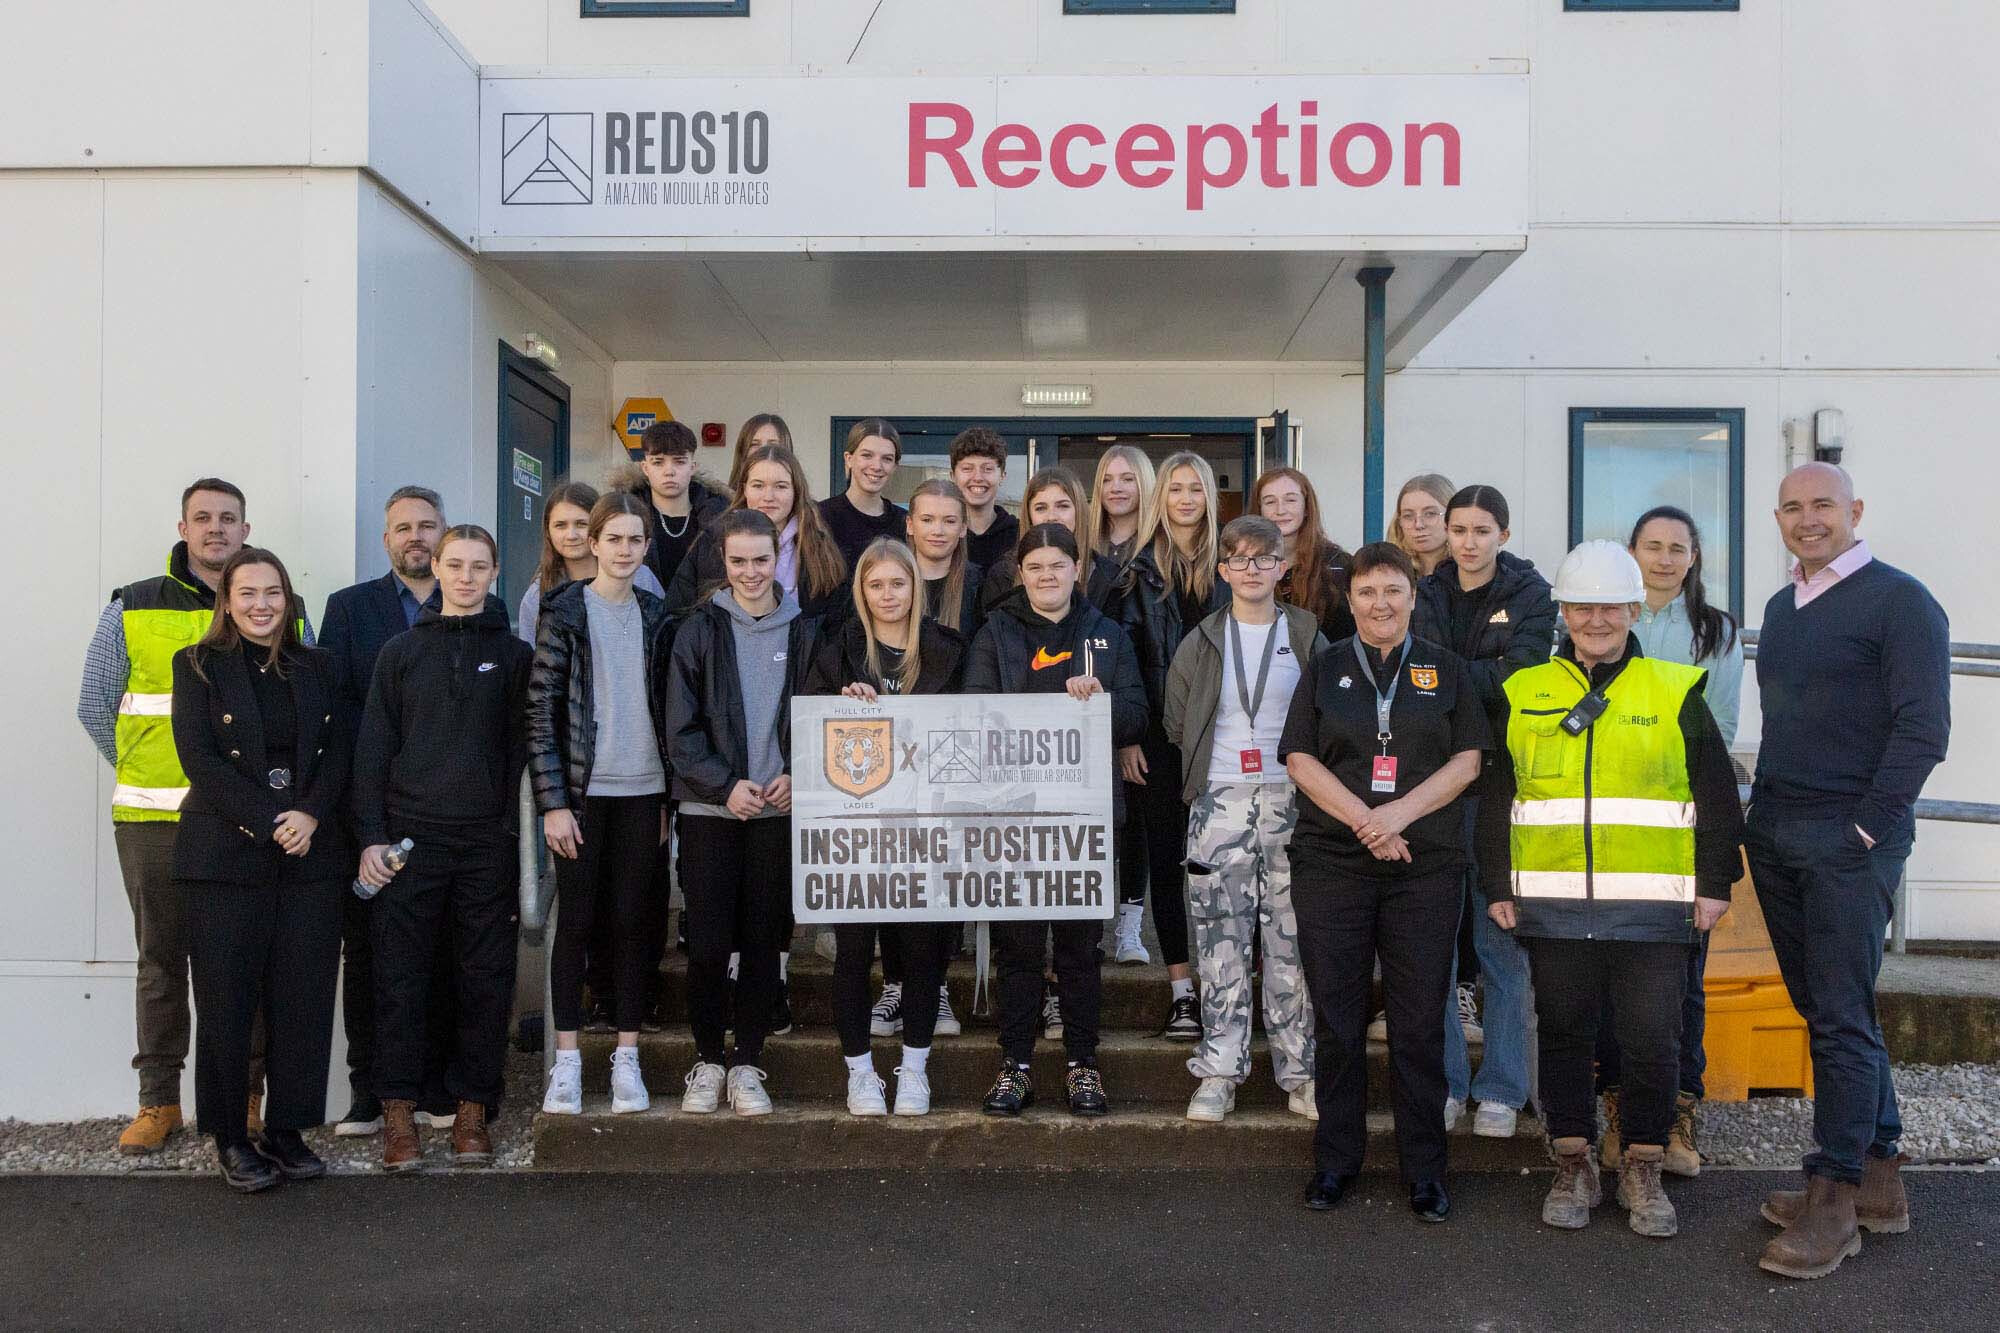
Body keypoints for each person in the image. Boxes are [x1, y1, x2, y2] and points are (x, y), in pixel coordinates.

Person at [1479, 540, 1742, 1241]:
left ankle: (1644, 1164)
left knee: (1654, 1039)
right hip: (1555, 906)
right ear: (1562, 611)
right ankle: (1573, 1160)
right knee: (1564, 1034)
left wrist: (1715, 882)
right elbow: (1496, 794)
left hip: (1655, 910)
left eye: (1610, 606)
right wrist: (1497, 882)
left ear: (1633, 609)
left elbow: (1718, 795)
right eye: (1582, 605)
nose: (1596, 618)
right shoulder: (1522, 691)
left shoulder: (1674, 686)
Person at [1747, 463, 1949, 1280]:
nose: (1807, 519)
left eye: (1822, 504)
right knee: (1831, 1006)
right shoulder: (1782, 606)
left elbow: (1923, 729)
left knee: (1837, 1017)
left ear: (1854, 510)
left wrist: (1864, 828)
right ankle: (1880, 1177)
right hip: (1780, 834)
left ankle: (1833, 1195)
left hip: (1848, 841)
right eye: (1792, 507)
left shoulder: (1901, 601)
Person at [76, 478, 294, 1155]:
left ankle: (248, 1100)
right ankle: (159, 1102)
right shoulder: (132, 604)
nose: (216, 530)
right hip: (155, 820)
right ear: (182, 526)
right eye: (203, 518)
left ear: (246, 526)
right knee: (162, 962)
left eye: (228, 519)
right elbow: (97, 704)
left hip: (246, 821)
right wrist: (146, 766)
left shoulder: (272, 603)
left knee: (246, 963)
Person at [1280, 542, 1488, 1223]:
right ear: (1353, 599)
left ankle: (1424, 1167)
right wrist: (1368, 820)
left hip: (1422, 866)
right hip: (1333, 863)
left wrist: (1399, 813)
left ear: (1412, 597)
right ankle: (1336, 1159)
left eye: (1393, 590)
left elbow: (1468, 760)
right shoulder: (1326, 666)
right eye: (1368, 591)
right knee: (1337, 1020)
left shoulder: (1445, 669)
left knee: (1419, 1022)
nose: (1380, 603)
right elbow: (1301, 758)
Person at [351, 524, 532, 1170]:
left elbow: (520, 754)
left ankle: (472, 1110)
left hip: (485, 843)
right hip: (408, 843)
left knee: (483, 980)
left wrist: (511, 836)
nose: (464, 576)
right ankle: (398, 1113)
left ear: (493, 571)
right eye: (454, 564)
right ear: (438, 566)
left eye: (477, 566)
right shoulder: (399, 654)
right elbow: (372, 753)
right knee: (401, 977)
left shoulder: (514, 657)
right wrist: (371, 837)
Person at [170, 548, 350, 1193]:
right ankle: (230, 1138)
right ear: (227, 599)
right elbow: (200, 760)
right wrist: (269, 820)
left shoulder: (318, 665)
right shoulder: (197, 666)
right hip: (224, 859)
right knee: (227, 1005)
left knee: (301, 1000)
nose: (260, 605)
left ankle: (287, 1131)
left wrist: (309, 814)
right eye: (246, 593)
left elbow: (340, 753)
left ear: (287, 597)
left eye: (271, 592)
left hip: (309, 857)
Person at [967, 524, 1147, 1118]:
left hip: (1083, 818)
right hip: (1013, 815)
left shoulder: (1107, 634)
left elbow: (1139, 715)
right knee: (1019, 948)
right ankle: (1014, 1065)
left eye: (1058, 565)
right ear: (1022, 574)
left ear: (1078, 570)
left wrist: (1100, 706)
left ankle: (1082, 1064)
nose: (1048, 575)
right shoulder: (996, 631)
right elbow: (973, 711)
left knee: (1078, 948)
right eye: (1036, 566)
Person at [1595, 504, 1746, 1178]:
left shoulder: (1716, 631)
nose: (1662, 558)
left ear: (1694, 556)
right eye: (1651, 545)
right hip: (1604, 831)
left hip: (1679, 833)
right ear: (1631, 552)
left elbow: (1721, 726)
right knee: (1607, 976)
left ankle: (1679, 1113)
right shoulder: (1602, 619)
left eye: (1676, 547)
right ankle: (1619, 1111)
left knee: (1683, 980)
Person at [1164, 516, 1325, 1124]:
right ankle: (1219, 1070)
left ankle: (1299, 1070)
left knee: (1290, 942)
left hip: (1293, 802)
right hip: (1219, 803)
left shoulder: (1307, 634)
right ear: (1223, 569)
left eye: (1265, 559)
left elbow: (1328, 715)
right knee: (1219, 941)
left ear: (1283, 567)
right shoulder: (1201, 639)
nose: (1252, 569)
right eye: (1240, 559)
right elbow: (1178, 721)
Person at [662, 509, 818, 1118]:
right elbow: (680, 730)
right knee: (705, 946)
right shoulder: (698, 630)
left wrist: (798, 776)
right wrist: (724, 786)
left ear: (778, 558)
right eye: (738, 561)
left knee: (761, 943)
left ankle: (748, 1060)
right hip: (711, 812)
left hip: (779, 814)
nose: (751, 572)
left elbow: (820, 714)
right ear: (722, 563)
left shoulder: (805, 630)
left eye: (762, 559)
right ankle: (706, 1060)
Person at [803, 539, 966, 1117]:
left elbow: (974, 732)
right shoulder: (840, 650)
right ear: (861, 591)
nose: (888, 595)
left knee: (924, 954)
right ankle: (860, 1072)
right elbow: (803, 728)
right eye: (877, 585)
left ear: (916, 588)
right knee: (853, 954)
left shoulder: (948, 650)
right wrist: (839, 707)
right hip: (857, 830)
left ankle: (915, 1069)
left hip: (927, 826)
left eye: (899, 584)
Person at [318, 485, 460, 1136]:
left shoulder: (469, 606)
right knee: (369, 953)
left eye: (427, 526)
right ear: (386, 539)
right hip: (369, 811)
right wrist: (360, 816)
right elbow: (336, 716)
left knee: (440, 951)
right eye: (403, 527)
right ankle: (370, 1093)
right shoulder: (350, 610)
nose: (416, 537)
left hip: (445, 810)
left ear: (445, 533)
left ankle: (432, 1086)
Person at [1412, 484, 1553, 1140]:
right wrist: (1479, 673)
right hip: (1436, 789)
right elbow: (1420, 675)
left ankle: (1500, 1086)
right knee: (1435, 947)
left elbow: (1524, 678)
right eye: (1458, 528)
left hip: (1502, 789)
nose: (1468, 541)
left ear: (1503, 531)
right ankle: (1445, 1082)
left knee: (1500, 944)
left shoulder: (1530, 593)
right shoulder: (1429, 590)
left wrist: (1454, 675)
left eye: (1481, 529)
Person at [530, 494, 673, 1119]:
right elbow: (540, 711)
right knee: (577, 925)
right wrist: (552, 802)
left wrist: (670, 796)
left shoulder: (658, 612)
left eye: (633, 540)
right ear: (592, 543)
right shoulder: (564, 610)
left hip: (644, 794)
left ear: (645, 548)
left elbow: (670, 710)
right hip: (584, 797)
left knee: (634, 925)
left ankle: (626, 1056)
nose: (622, 549)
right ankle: (567, 1062)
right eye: (611, 538)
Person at [1118, 451, 1229, 1032]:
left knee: (1222, 867)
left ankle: (1224, 985)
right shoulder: (1136, 573)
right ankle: (1182, 988)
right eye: (1176, 489)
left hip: (1227, 738)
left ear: (1209, 496)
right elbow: (1126, 665)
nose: (1186, 499)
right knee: (1167, 863)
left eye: (1196, 488)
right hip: (1159, 741)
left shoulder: (1233, 565)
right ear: (1160, 497)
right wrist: (1127, 739)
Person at [665, 441, 850, 623]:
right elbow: (678, 611)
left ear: (796, 491)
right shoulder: (714, 539)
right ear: (744, 489)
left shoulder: (819, 544)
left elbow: (835, 620)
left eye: (780, 486)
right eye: (758, 485)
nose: (768, 497)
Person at [518, 480, 666, 652]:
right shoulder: (537, 595)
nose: (571, 535)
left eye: (581, 524)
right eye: (560, 525)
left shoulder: (640, 576)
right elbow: (533, 662)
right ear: (548, 531)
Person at [982, 468, 1122, 615]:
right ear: (1029, 515)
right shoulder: (1003, 575)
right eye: (1041, 508)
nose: (1052, 517)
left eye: (1063, 506)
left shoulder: (1107, 577)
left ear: (1078, 511)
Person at [1251, 466, 1356, 642]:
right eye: (1270, 502)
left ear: (1306, 508)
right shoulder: (1246, 566)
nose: (1280, 510)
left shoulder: (1338, 565)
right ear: (1259, 510)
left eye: (1290, 500)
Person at [630, 419, 727, 594]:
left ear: (693, 467)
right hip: (642, 618)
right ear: (645, 467)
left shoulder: (720, 516)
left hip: (704, 617)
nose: (669, 471)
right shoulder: (625, 516)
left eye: (679, 461)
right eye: (658, 462)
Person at [820, 418, 909, 566]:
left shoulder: (904, 523)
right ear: (849, 459)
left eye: (887, 459)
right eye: (867, 455)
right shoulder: (820, 516)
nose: (876, 466)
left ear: (894, 467)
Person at [904, 477, 984, 634]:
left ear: (962, 528)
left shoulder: (978, 587)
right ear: (910, 525)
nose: (938, 531)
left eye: (949, 521)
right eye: (927, 520)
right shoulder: (890, 582)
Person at [950, 426, 1018, 571]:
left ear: (1002, 476)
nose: (978, 477)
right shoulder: (943, 534)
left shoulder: (1019, 534)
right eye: (967, 468)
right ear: (953, 476)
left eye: (987, 469)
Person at [1088, 445, 1157, 573]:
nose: (1116, 488)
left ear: (1144, 483)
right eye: (1106, 480)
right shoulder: (1083, 541)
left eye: (1127, 479)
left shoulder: (1163, 545)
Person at [1388, 473, 1454, 578]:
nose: (1418, 525)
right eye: (1408, 516)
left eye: (1430, 514)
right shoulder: (1388, 573)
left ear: (1452, 517)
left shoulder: (1469, 573)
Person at [727, 412, 792, 496]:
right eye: (754, 444)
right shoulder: (724, 504)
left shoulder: (807, 508)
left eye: (772, 444)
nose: (763, 450)